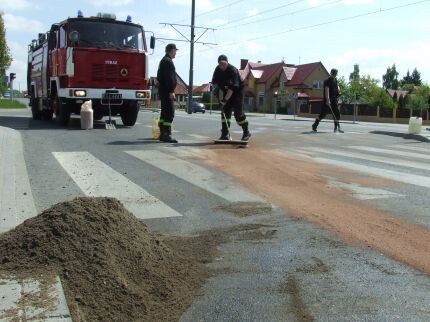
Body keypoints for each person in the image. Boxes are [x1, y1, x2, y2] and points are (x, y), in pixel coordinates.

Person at [211, 54, 251, 141]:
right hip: (226, 91)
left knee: (238, 114)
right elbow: (214, 83)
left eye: (223, 63)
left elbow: (232, 88)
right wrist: (215, 90)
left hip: (237, 92)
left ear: (227, 62)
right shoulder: (217, 70)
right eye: (220, 64)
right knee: (225, 113)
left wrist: (224, 100)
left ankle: (246, 132)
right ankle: (225, 134)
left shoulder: (232, 70)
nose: (222, 66)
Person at [157, 43, 178, 143]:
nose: (175, 53)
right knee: (170, 113)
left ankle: (162, 133)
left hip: (163, 91)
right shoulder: (168, 62)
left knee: (164, 113)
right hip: (167, 91)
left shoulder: (163, 61)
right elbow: (169, 78)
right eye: (175, 51)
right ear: (171, 50)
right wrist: (171, 91)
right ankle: (166, 134)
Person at [312, 68, 344, 133]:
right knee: (323, 114)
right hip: (328, 100)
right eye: (334, 74)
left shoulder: (335, 80)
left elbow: (337, 86)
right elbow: (327, 90)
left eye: (336, 74)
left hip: (334, 100)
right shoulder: (327, 81)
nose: (335, 75)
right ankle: (315, 124)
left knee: (337, 114)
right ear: (331, 73)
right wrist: (328, 100)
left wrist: (339, 90)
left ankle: (336, 128)